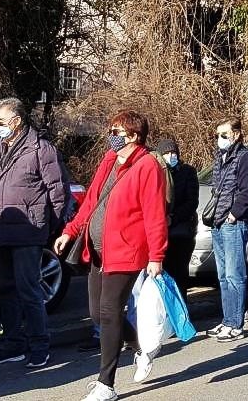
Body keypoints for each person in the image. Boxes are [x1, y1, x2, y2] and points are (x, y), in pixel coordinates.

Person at [54, 110, 168, 401]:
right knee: (97, 313)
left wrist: (156, 255)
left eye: (117, 133)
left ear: (133, 136)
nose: (111, 137)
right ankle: (140, 347)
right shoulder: (108, 159)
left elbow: (155, 215)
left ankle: (106, 383)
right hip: (98, 249)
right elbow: (92, 199)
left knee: (109, 312)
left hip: (127, 250)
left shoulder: (147, 166)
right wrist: (70, 230)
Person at [0, 97, 68, 367]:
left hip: (29, 231)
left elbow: (58, 191)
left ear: (17, 121)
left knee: (29, 290)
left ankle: (39, 344)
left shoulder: (41, 150)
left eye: (1, 122)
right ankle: (12, 343)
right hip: (1, 230)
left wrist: (47, 226)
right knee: (6, 291)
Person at [205, 118, 248, 341]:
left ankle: (236, 324)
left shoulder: (245, 157)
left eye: (224, 134)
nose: (220, 139)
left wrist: (233, 215)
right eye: (218, 134)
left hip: (233, 222)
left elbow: (247, 192)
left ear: (236, 134)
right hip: (218, 221)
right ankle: (227, 320)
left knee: (235, 275)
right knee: (223, 275)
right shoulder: (220, 157)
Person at [156, 139, 198, 302]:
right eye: (167, 153)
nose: (171, 156)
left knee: (179, 274)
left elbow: (192, 201)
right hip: (161, 231)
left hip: (181, 232)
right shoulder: (156, 172)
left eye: (173, 153)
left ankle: (181, 313)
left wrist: (173, 218)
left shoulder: (187, 172)